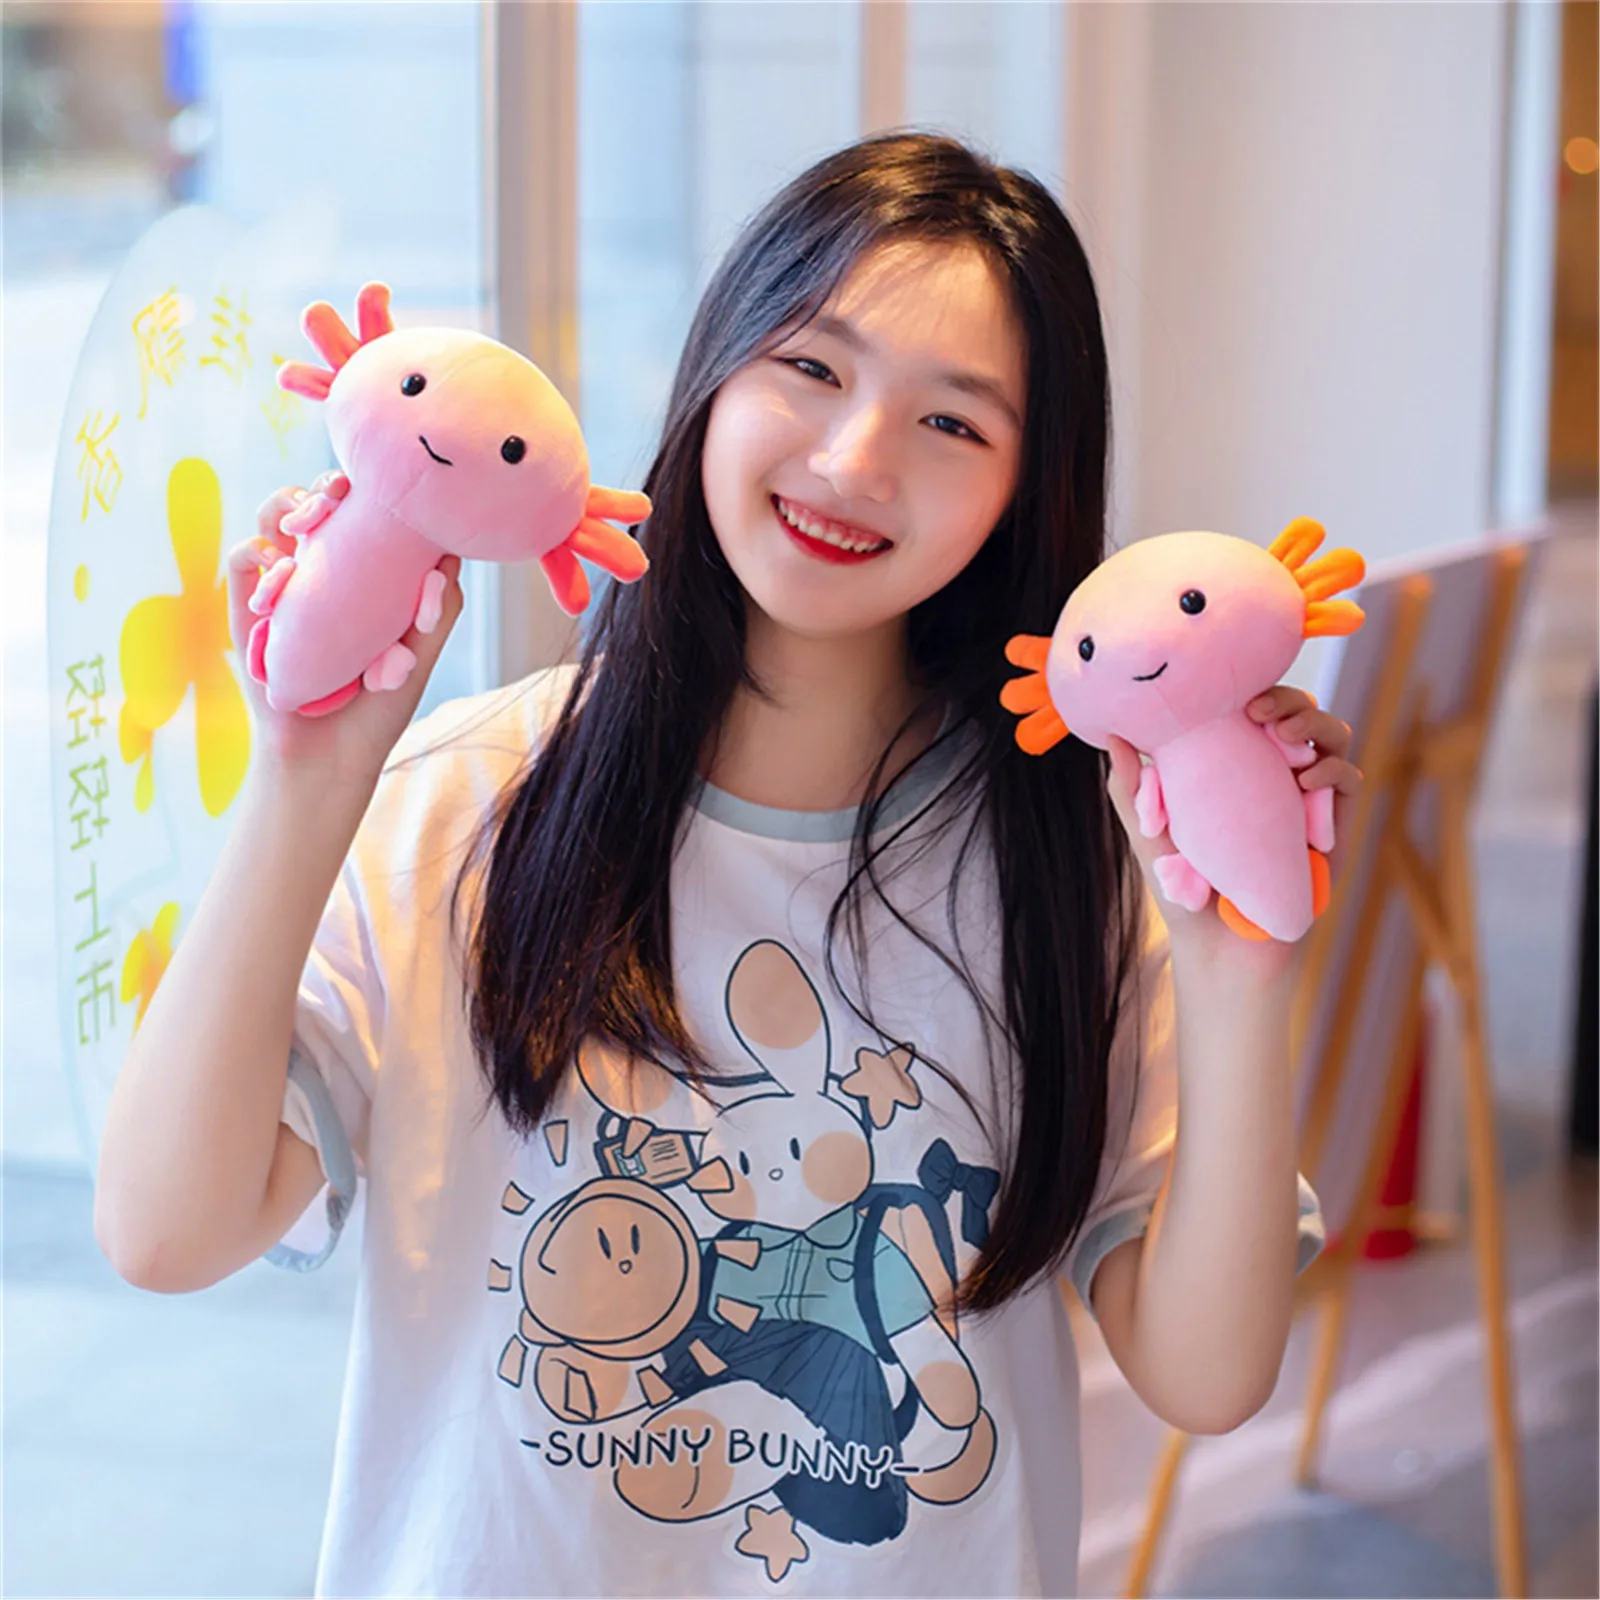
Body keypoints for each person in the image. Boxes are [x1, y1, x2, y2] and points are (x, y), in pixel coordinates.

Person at [96, 133, 1354, 1596]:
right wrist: (306, 781)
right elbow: (164, 1230)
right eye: (811, 367)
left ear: (1031, 487)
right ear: (714, 371)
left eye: (953, 423)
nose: (854, 460)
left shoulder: (1082, 854)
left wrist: (1239, 975)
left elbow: (1206, 1375)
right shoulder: (467, 800)